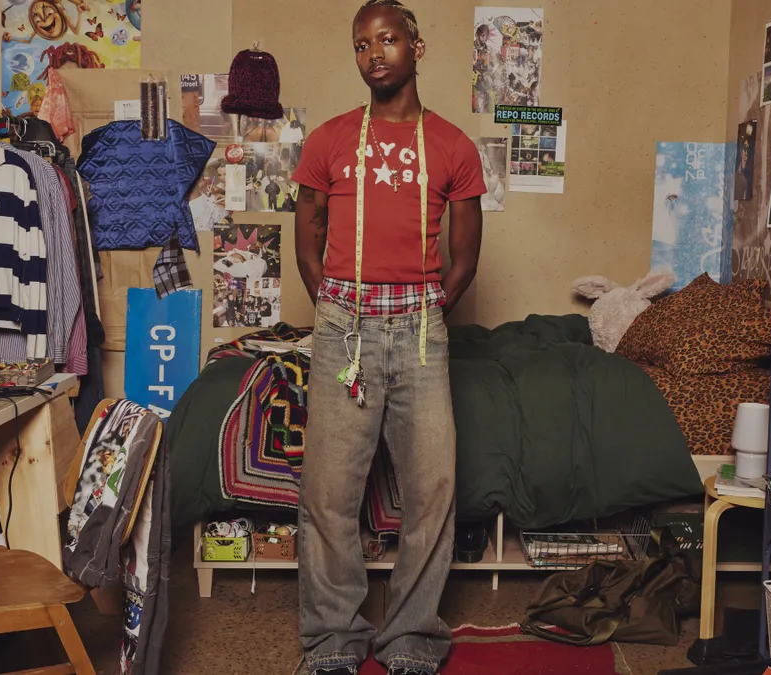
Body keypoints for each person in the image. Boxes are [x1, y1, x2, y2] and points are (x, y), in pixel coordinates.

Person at [290, 1, 486, 673]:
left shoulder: (455, 146)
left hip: (421, 332)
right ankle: (335, 637)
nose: (375, 53)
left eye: (389, 40)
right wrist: (338, 309)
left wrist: (426, 310)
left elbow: (464, 256)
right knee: (328, 491)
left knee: (433, 485)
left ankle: (410, 636)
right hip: (345, 326)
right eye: (363, 44)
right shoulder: (329, 139)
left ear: (416, 47)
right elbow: (307, 236)